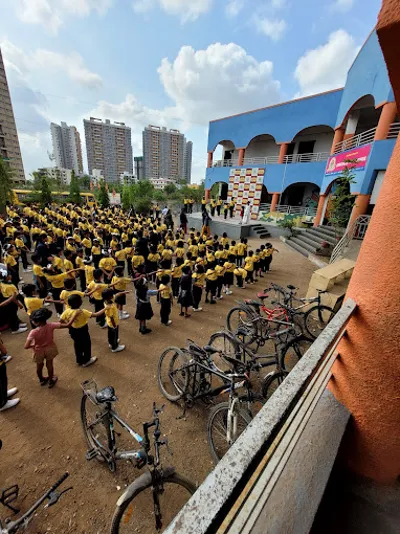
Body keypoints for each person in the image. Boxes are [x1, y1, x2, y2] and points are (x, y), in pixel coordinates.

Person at [24, 308, 77, 388]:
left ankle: (41, 380)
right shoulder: (51, 325)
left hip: (38, 351)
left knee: (39, 366)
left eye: (33, 320)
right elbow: (68, 325)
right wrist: (75, 315)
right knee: (50, 365)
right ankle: (51, 380)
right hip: (50, 348)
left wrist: (34, 344)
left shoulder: (33, 332)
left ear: (37, 322)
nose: (32, 321)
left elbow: (26, 346)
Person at [60, 294, 102, 367]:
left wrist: (68, 325)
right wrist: (105, 308)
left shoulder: (67, 311)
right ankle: (87, 360)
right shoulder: (82, 311)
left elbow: (60, 320)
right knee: (86, 344)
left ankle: (79, 360)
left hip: (73, 330)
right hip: (82, 330)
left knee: (77, 345)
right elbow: (96, 314)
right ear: (80, 303)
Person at [102, 288, 127, 353]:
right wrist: (114, 325)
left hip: (109, 323)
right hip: (113, 323)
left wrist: (123, 292)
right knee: (114, 334)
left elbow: (116, 294)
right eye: (112, 294)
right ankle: (115, 347)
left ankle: (111, 343)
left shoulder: (106, 301)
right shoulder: (110, 306)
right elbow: (111, 317)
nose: (113, 295)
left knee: (110, 334)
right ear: (110, 296)